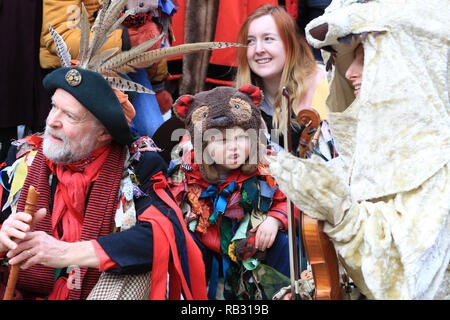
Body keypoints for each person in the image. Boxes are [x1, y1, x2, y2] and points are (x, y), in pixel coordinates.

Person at [0, 2, 207, 300]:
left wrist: (68, 252)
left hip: (93, 290)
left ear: (104, 133)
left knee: (134, 277)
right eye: (54, 107)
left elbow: (164, 234)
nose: (52, 122)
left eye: (70, 116)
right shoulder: (22, 158)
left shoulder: (138, 164)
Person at [267, 0, 449, 299]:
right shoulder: (361, 158)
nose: (350, 72)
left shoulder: (437, 167)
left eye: (365, 58)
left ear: (404, 62)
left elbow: (409, 282)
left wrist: (340, 212)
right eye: (346, 59)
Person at [168, 85, 299, 299]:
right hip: (211, 249)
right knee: (187, 247)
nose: (233, 147)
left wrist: (275, 220)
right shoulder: (188, 173)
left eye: (241, 138)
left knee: (282, 243)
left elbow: (294, 200)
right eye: (221, 140)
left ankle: (282, 293)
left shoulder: (268, 166)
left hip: (255, 248)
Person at [235, 4, 336, 160]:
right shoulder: (240, 100)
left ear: (289, 45)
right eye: (250, 41)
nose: (258, 49)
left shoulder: (322, 84)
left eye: (268, 39)